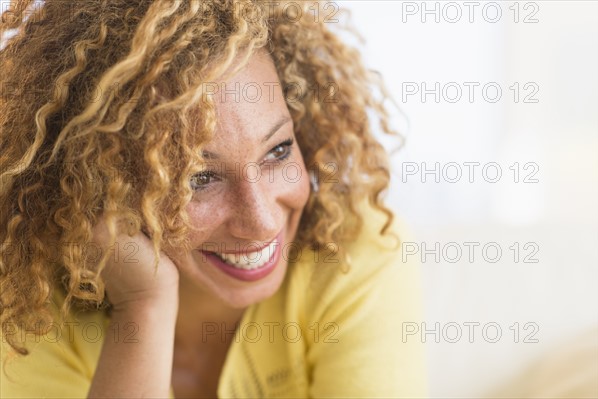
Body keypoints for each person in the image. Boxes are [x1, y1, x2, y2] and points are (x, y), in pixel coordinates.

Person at [0, 0, 428, 397]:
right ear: (101, 184)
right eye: (198, 179)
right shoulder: (30, 308)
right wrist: (144, 308)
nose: (261, 221)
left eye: (278, 151)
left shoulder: (356, 253)